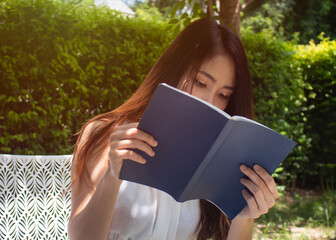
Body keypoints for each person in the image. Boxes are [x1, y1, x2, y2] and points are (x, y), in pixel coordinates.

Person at [67, 18, 279, 240]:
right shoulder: (105, 134)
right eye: (200, 83)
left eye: (223, 95)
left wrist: (244, 217)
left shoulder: (216, 158)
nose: (209, 102)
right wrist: (111, 178)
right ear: (174, 70)